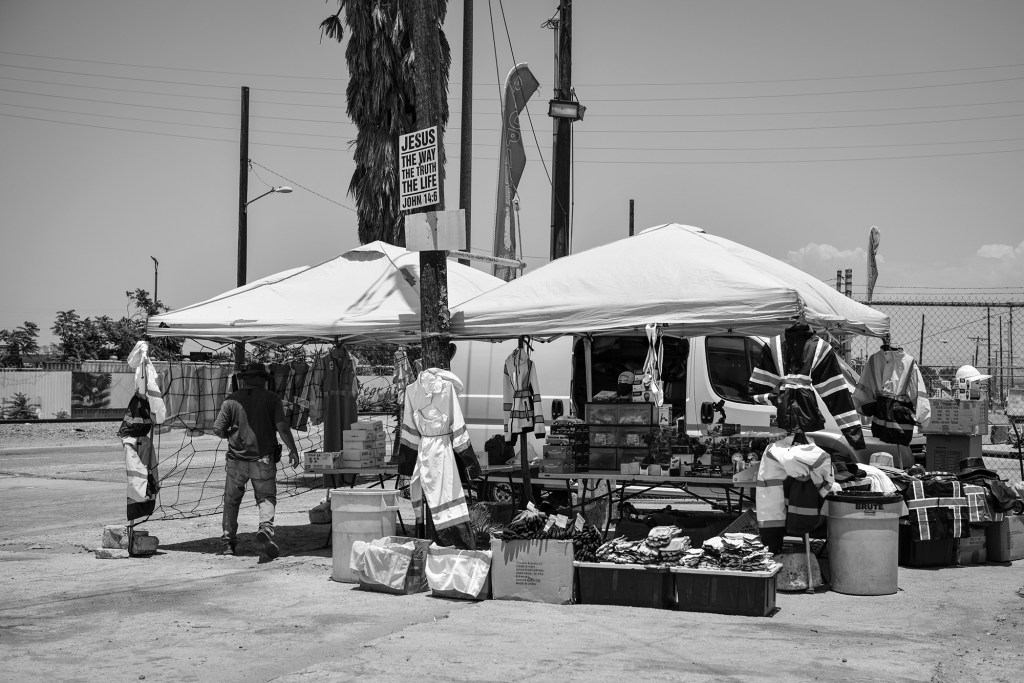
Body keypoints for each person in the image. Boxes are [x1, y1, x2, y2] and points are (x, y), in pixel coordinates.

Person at [212, 363, 299, 559]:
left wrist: (231, 435)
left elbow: (217, 429)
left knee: (231, 501)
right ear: (264, 379)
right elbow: (282, 428)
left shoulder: (231, 400)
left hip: (236, 461)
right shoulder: (272, 399)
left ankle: (228, 544)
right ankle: (265, 529)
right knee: (266, 497)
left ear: (245, 379)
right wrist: (293, 450)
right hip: (264, 460)